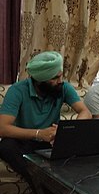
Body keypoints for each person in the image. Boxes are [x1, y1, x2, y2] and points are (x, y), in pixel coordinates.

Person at [0, 51, 91, 184]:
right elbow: (2, 128)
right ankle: (43, 182)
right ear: (39, 80)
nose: (60, 81)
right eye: (54, 78)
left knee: (86, 140)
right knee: (6, 146)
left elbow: (85, 112)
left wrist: (67, 130)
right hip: (24, 140)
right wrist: (39, 133)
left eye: (60, 76)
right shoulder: (17, 90)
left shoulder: (63, 87)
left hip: (52, 141)